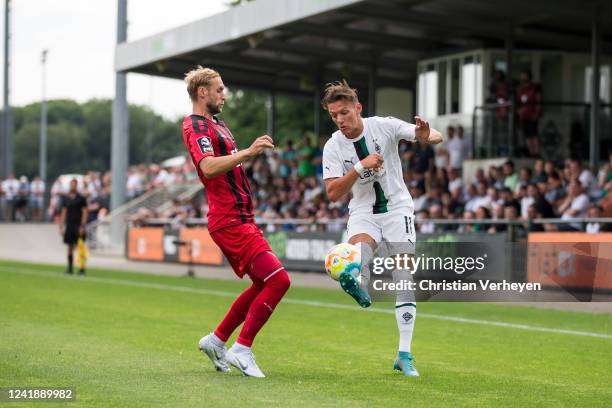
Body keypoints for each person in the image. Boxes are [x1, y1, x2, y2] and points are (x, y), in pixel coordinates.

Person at [321, 80, 442, 377]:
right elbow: (333, 193)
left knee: (404, 277)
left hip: (398, 208)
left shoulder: (383, 126)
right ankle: (358, 281)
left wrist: (427, 135)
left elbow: (432, 135)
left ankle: (404, 354)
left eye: (345, 113)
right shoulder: (333, 146)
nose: (340, 120)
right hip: (363, 211)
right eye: (334, 115)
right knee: (359, 260)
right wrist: (359, 167)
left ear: (358, 108)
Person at [182, 66, 290, 378]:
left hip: (241, 217)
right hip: (228, 219)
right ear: (202, 92)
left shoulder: (219, 125)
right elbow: (209, 166)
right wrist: (249, 151)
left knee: (263, 283)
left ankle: (217, 340)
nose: (223, 94)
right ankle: (242, 348)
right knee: (279, 281)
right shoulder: (195, 126)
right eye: (219, 89)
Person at [59, 179, 88, 275]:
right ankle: (70, 268)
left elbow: (85, 212)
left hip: (78, 225)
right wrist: (61, 226)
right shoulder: (66, 198)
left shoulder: (81, 198)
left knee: (81, 247)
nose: (72, 186)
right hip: (69, 225)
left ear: (76, 186)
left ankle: (82, 269)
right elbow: (63, 213)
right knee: (69, 247)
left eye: (74, 185)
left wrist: (82, 226)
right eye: (71, 184)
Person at [517, 70, 541, 157]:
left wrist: (537, 112)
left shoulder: (535, 87)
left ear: (529, 77)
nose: (523, 78)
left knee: (534, 134)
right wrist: (519, 111)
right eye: (522, 76)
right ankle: (531, 153)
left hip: (532, 114)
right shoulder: (520, 89)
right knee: (527, 135)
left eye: (525, 76)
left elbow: (538, 99)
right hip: (524, 116)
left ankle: (537, 153)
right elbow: (519, 102)